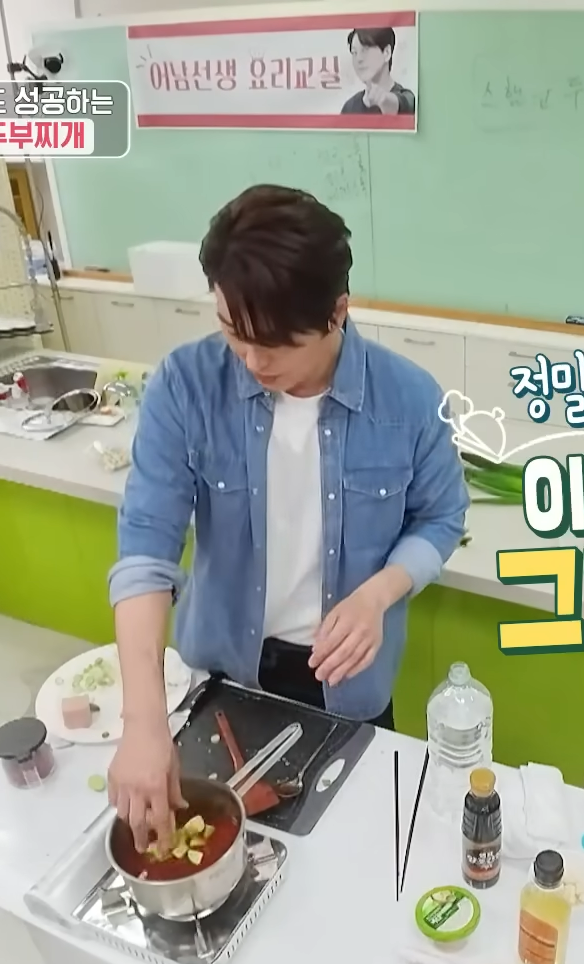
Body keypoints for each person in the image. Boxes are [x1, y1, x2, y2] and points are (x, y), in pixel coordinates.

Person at [105, 185, 467, 848]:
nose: (251, 361)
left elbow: (441, 518)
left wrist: (377, 595)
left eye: (273, 343)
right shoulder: (186, 386)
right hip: (223, 670)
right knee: (221, 845)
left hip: (347, 681)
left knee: (352, 851)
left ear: (337, 312)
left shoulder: (410, 399)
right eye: (232, 332)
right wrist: (143, 720)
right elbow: (145, 552)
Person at [341, 28, 416, 116]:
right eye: (354, 53)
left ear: (386, 53)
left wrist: (384, 99)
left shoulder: (407, 99)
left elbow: (401, 105)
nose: (359, 59)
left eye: (365, 50)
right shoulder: (349, 107)